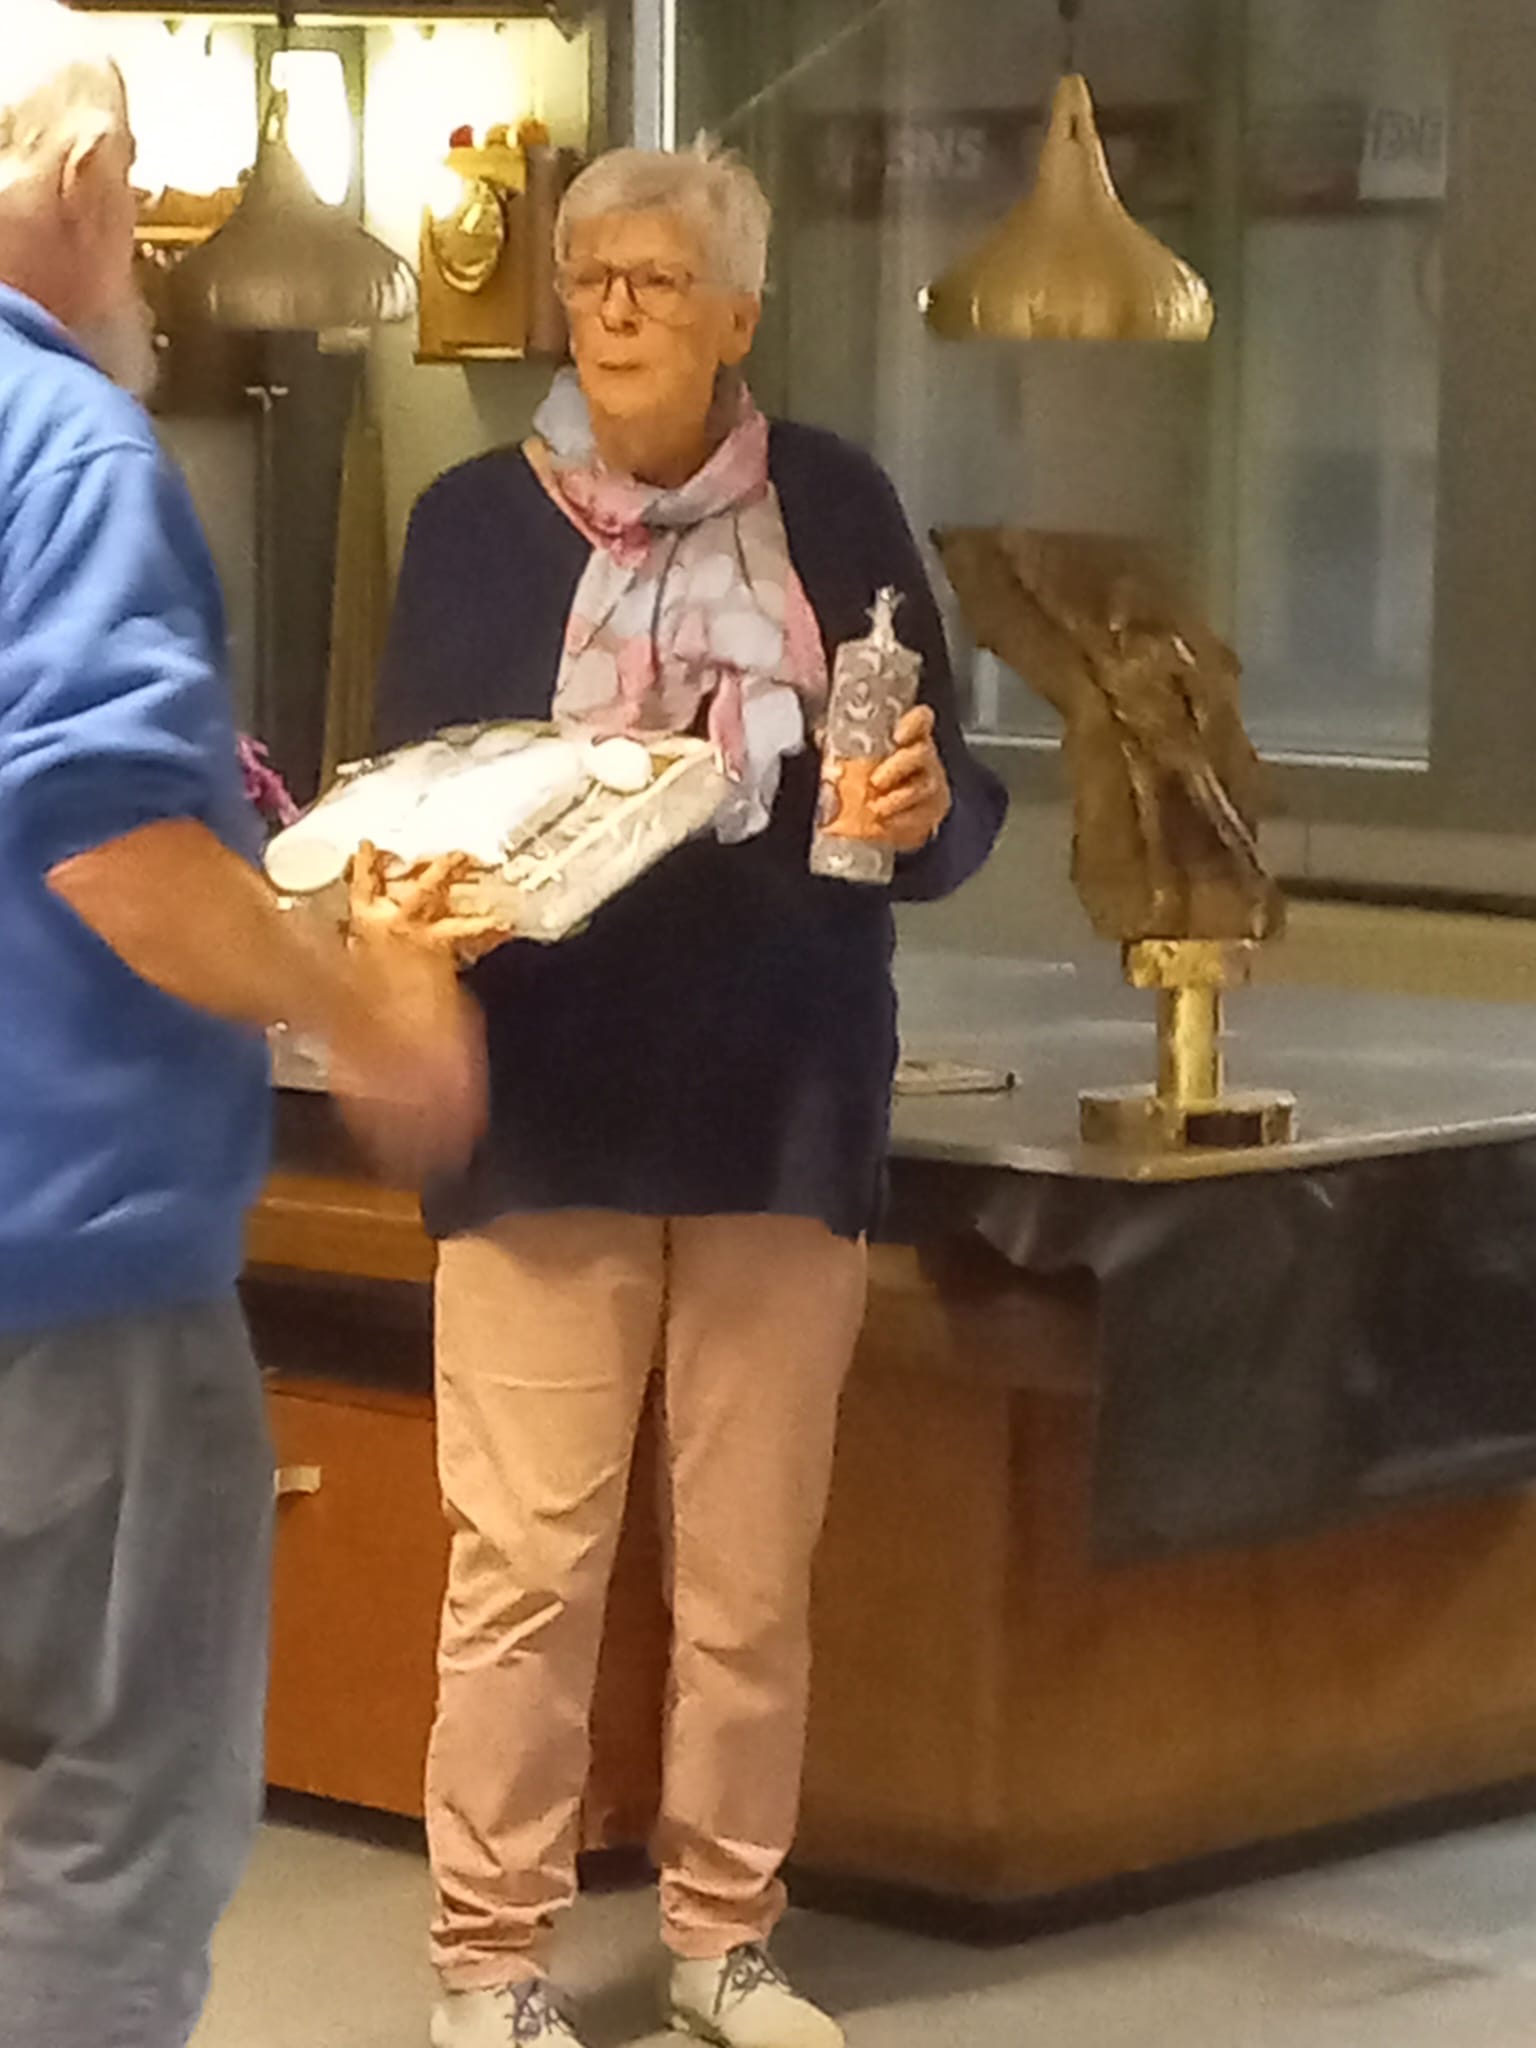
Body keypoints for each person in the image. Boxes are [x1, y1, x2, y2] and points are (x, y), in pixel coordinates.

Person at [377, 143, 1007, 2048]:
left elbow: (949, 804)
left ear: (740, 313)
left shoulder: (837, 502)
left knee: (748, 1578)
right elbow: (403, 795)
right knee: (525, 1569)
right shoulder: (473, 523)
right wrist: (415, 911)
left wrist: (920, 810)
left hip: (781, 1094)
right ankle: (488, 1963)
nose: (617, 310)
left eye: (658, 279)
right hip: (545, 1105)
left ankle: (724, 1939)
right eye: (590, 279)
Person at [0, 12, 486, 2048]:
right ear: (80, 183)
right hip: (70, 1291)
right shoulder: (70, 451)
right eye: (136, 198)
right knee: (111, 1826)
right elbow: (113, 846)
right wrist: (361, 995)